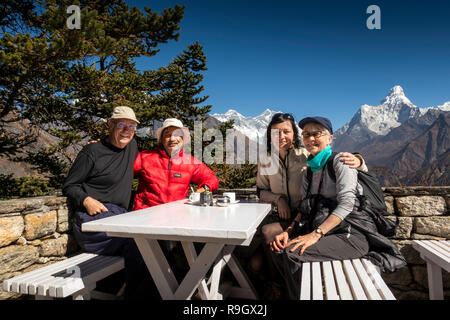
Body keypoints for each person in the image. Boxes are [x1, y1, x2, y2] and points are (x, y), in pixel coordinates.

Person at [268, 116, 406, 299]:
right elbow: (305, 207)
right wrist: (290, 230)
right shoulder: (310, 171)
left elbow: (347, 204)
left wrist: (315, 234)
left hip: (352, 234)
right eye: (306, 134)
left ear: (330, 138)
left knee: (292, 253)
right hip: (329, 234)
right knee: (278, 248)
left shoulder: (340, 162)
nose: (310, 139)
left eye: (316, 133)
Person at [62, 106, 154, 300]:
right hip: (92, 221)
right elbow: (70, 185)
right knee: (139, 243)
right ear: (110, 125)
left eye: (131, 126)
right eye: (121, 124)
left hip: (118, 217)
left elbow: (158, 154)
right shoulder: (92, 152)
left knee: (151, 241)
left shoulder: (132, 146)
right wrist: (86, 200)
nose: (127, 130)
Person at [133, 118, 219, 209]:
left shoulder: (190, 162)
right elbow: (124, 173)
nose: (172, 139)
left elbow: (212, 179)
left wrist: (202, 190)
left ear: (182, 138)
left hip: (176, 214)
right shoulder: (144, 157)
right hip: (146, 214)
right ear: (162, 139)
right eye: (168, 135)